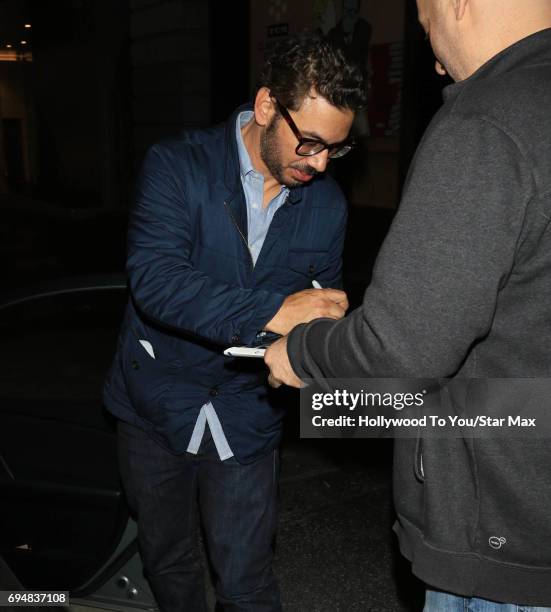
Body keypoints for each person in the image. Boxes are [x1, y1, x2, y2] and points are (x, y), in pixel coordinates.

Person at [264, 0, 551, 609]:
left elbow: (401, 348)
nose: (439, 67)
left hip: (504, 543)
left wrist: (305, 355)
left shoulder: (487, 123)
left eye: (426, 28)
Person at [102, 35, 367, 611]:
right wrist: (274, 312)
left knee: (247, 583)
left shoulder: (327, 206)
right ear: (268, 105)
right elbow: (157, 283)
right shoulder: (177, 166)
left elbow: (318, 305)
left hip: (247, 411)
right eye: (312, 143)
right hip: (155, 402)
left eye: (336, 150)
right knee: (168, 562)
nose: (320, 163)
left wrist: (312, 345)